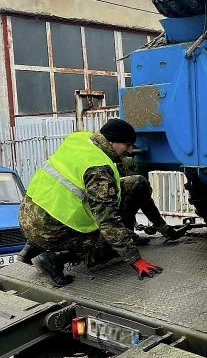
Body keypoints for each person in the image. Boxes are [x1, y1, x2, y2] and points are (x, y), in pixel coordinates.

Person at [18, 118, 163, 286]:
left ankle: (31, 247)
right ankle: (53, 258)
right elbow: (108, 222)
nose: (130, 151)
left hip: (29, 218)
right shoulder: (99, 169)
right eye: (127, 145)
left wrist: (161, 225)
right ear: (112, 141)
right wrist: (134, 258)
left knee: (134, 186)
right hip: (51, 230)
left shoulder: (79, 140)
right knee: (111, 244)